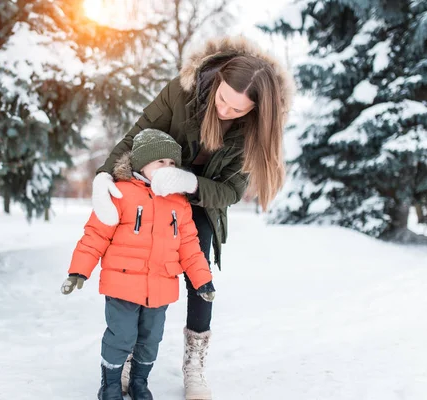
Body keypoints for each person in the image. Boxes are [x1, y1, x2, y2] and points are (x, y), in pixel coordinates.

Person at [91, 36, 295, 400]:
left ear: (256, 111)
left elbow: (231, 190)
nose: (226, 111)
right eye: (223, 101)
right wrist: (104, 176)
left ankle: (194, 363)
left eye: (238, 110)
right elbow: (135, 136)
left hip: (200, 201)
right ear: (216, 82)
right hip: (153, 195)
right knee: (142, 267)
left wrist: (190, 183)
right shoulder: (181, 92)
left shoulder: (254, 132)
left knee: (199, 277)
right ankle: (128, 356)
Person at [62, 129, 217, 400]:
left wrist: (202, 279)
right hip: (123, 284)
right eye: (161, 162)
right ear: (141, 163)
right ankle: (109, 385)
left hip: (160, 287)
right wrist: (79, 270)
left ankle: (138, 382)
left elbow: (190, 246)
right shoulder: (120, 194)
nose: (167, 168)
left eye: (172, 164)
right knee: (120, 337)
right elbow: (95, 234)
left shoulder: (179, 203)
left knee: (150, 340)